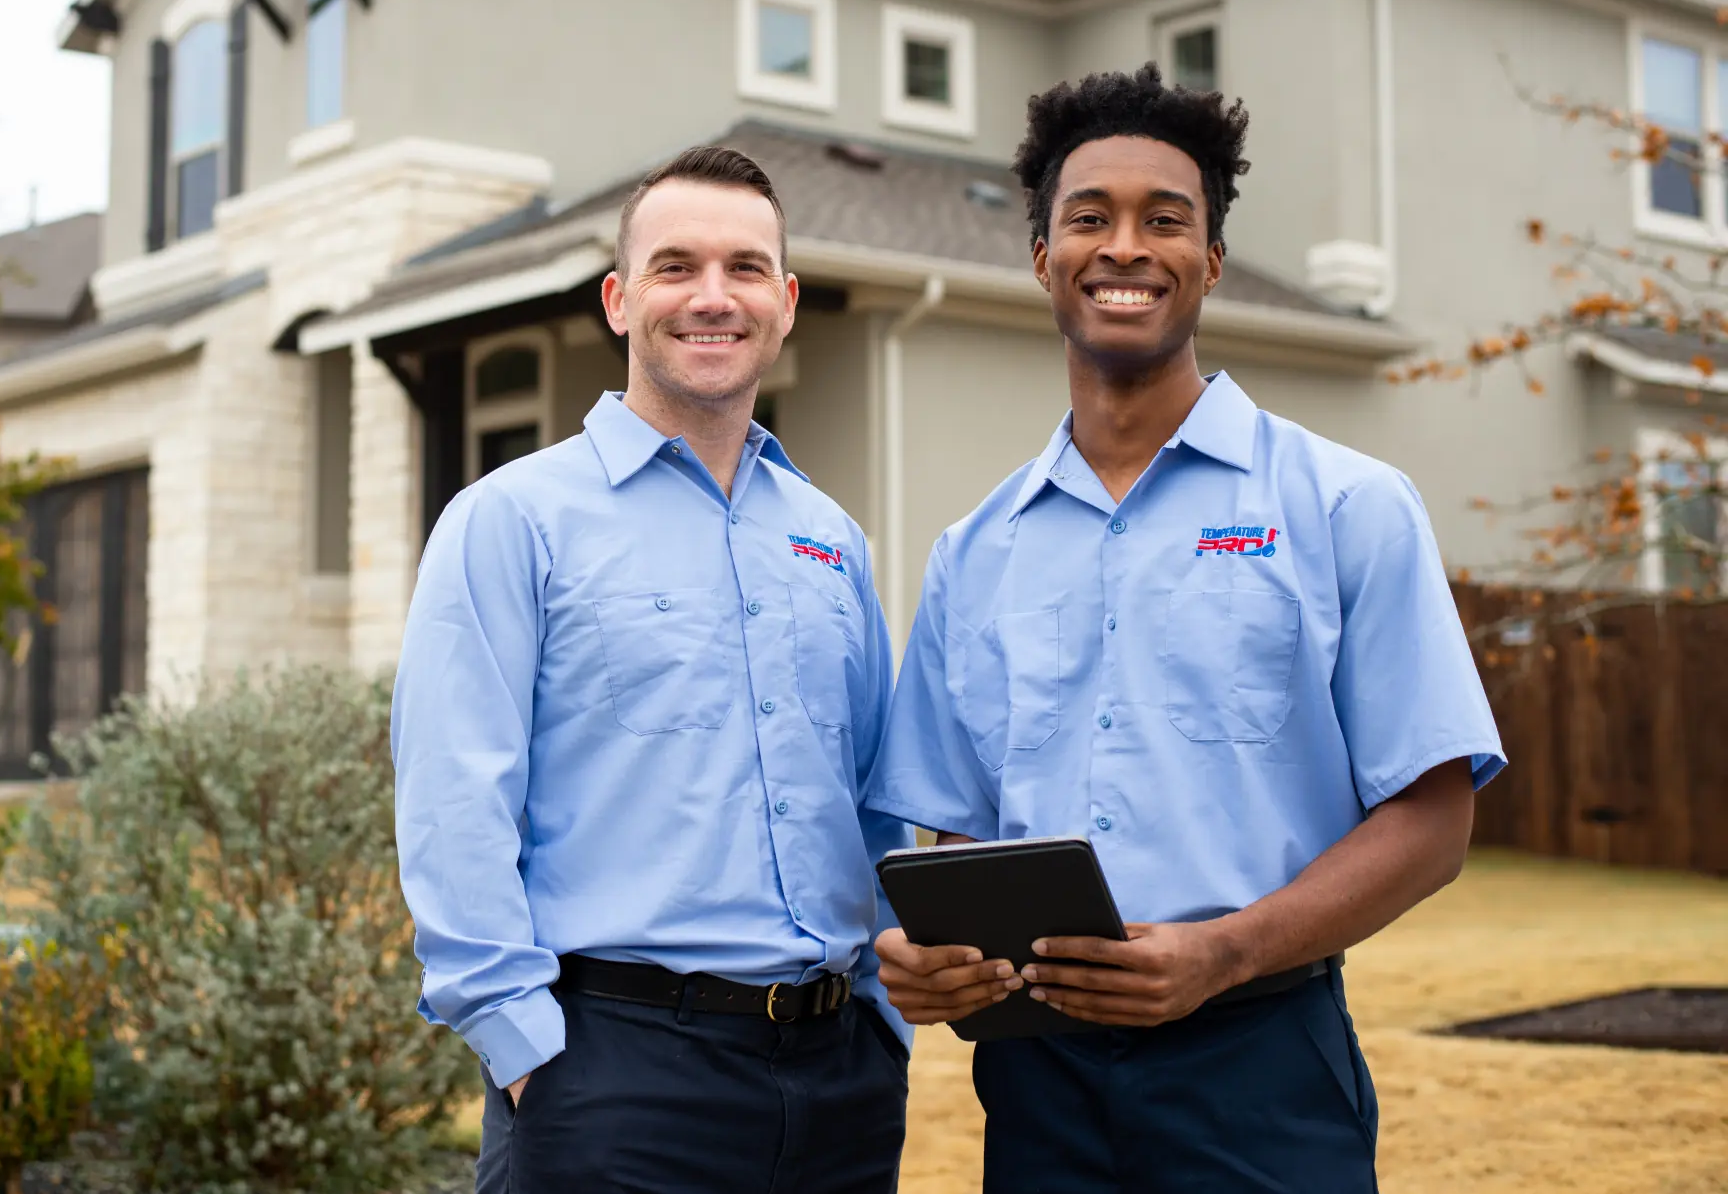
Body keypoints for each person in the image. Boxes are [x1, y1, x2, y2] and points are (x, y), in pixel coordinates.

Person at [866, 64, 1506, 1193]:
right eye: (1088, 218)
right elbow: (960, 834)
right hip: (1037, 1081)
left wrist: (1221, 951)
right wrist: (941, 963)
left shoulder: (1345, 506)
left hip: (1261, 1061)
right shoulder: (974, 552)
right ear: (1041, 259)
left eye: (1164, 220)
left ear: (1207, 261)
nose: (1124, 246)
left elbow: (1433, 819)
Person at [392, 146, 912, 1194]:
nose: (712, 296)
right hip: (610, 1082)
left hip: (838, 1082)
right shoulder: (512, 520)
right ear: (619, 300)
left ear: (786, 301)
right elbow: (455, 801)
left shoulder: (829, 537)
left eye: (744, 268)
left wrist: (883, 1019)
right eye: (674, 266)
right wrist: (524, 1047)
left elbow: (869, 800)